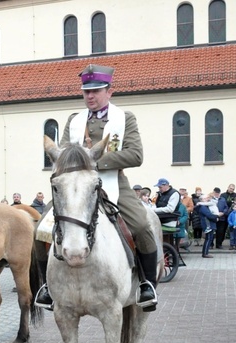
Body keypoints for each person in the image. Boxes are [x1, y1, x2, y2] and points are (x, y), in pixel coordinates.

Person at [36, 64, 158, 311]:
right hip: (76, 186)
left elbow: (135, 155)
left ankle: (146, 284)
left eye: (96, 91)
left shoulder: (125, 119)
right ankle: (46, 287)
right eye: (86, 92)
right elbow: (61, 154)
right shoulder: (74, 120)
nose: (90, 96)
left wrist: (95, 162)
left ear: (109, 92)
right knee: (40, 229)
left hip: (113, 182)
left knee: (142, 226)